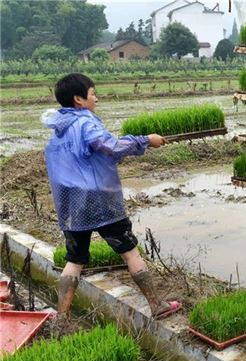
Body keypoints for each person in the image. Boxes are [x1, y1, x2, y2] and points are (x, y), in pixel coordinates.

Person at [43, 73, 181, 322]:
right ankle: (156, 305)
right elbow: (111, 146)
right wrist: (146, 140)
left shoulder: (57, 129)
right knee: (130, 252)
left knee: (74, 259)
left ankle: (61, 319)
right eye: (93, 93)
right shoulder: (86, 122)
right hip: (99, 201)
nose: (96, 97)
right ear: (79, 99)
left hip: (72, 206)